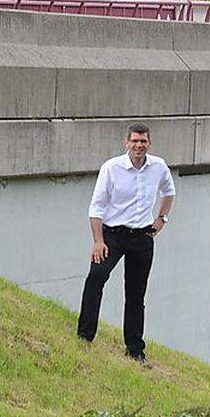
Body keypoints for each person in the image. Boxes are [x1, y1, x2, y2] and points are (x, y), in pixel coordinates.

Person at [77, 123, 176, 364]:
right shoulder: (111, 168)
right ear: (126, 142)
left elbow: (169, 191)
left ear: (149, 143)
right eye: (134, 141)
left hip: (142, 237)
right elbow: (96, 207)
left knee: (136, 294)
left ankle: (135, 350)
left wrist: (161, 219)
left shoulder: (159, 166)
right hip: (113, 235)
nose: (139, 146)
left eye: (143, 141)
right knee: (96, 277)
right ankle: (84, 336)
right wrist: (98, 241)